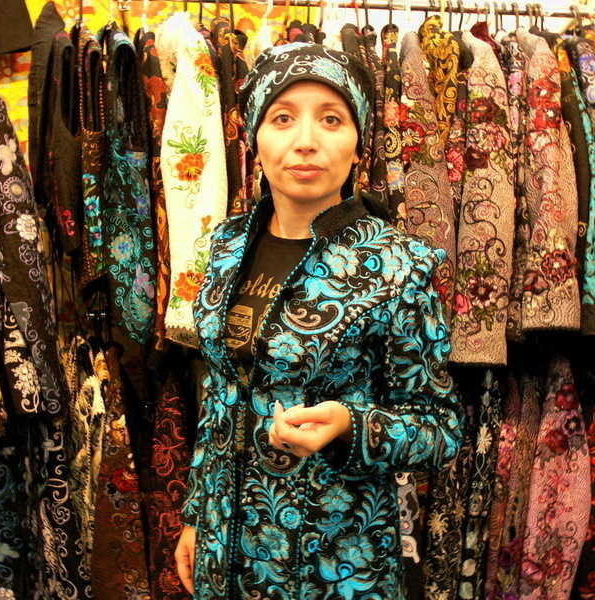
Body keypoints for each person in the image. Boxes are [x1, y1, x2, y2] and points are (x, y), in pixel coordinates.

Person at [174, 42, 463, 599]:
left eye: (331, 119)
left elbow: (440, 430)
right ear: (255, 138)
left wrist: (352, 424)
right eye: (283, 118)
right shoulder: (226, 247)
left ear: (357, 144)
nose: (306, 140)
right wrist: (196, 515)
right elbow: (219, 396)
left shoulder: (399, 267)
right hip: (223, 550)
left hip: (334, 563)